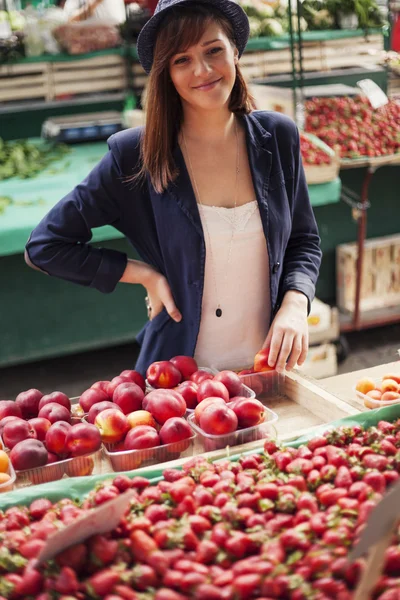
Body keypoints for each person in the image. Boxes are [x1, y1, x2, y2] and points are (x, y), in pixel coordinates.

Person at [25, 0, 322, 376]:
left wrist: (296, 303)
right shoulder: (135, 155)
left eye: (213, 50)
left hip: (268, 372)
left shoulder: (278, 137)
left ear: (235, 50)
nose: (203, 70)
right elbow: (45, 246)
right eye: (181, 60)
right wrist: (144, 274)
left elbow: (304, 240)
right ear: (165, 72)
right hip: (176, 384)